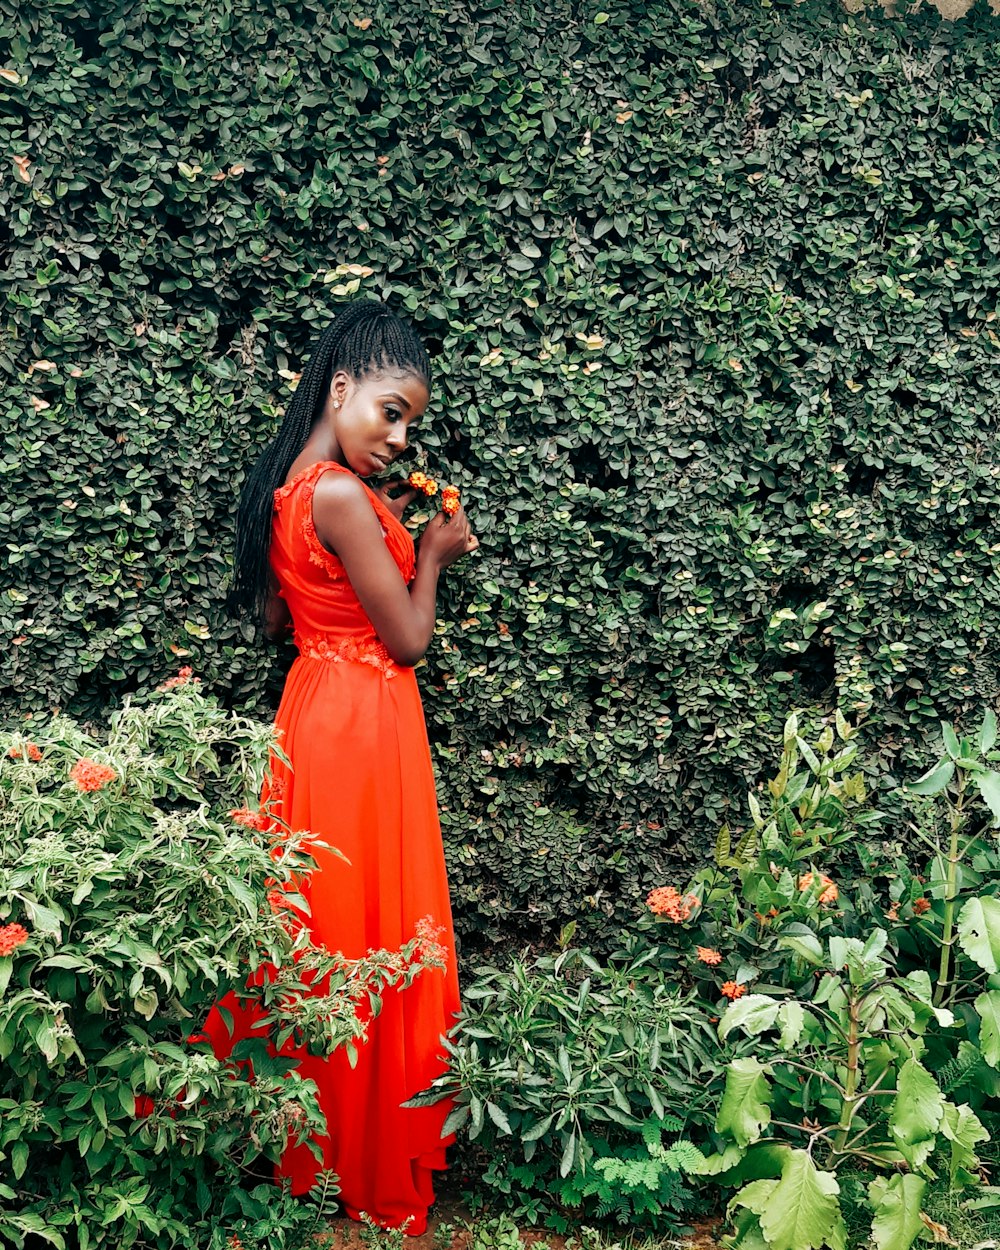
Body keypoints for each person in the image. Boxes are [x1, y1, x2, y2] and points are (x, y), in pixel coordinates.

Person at [204, 298, 477, 1233]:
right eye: (390, 411)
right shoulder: (340, 496)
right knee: (366, 932)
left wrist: (384, 525)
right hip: (364, 723)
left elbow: (287, 615)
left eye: (411, 424)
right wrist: (431, 552)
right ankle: (358, 1155)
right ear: (341, 387)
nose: (401, 436)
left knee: (322, 930)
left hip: (313, 712)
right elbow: (403, 639)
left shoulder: (296, 485)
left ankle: (307, 1143)